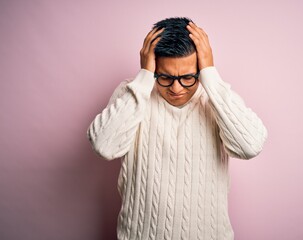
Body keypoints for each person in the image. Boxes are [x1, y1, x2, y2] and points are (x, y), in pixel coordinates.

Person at [86, 17, 268, 240]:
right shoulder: (133, 94)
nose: (176, 88)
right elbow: (104, 146)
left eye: (187, 77)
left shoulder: (218, 100)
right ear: (152, 68)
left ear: (200, 70)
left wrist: (210, 76)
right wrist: (144, 78)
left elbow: (250, 146)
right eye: (165, 77)